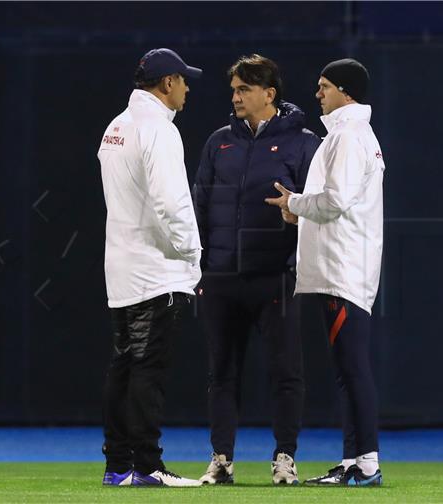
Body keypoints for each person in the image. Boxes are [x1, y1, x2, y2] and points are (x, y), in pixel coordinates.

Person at [193, 54, 321, 485]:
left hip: (275, 277)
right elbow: (200, 206)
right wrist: (201, 266)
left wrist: (296, 236)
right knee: (221, 374)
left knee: (286, 373)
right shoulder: (218, 142)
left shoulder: (305, 143)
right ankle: (221, 460)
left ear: (269, 93)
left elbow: (321, 208)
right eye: (233, 90)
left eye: (243, 90)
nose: (235, 98)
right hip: (222, 277)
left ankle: (284, 458)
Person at [265, 58, 385, 486]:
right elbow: (335, 202)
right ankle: (354, 460)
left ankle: (366, 462)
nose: (317, 93)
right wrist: (300, 211)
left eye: (324, 86)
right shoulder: (347, 134)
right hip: (341, 266)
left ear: (346, 92)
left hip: (342, 269)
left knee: (352, 367)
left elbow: (335, 201)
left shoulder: (349, 136)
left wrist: (295, 204)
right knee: (346, 368)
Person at [97, 48, 203, 487]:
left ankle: (119, 465)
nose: (187, 88)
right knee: (148, 369)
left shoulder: (116, 126)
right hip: (157, 269)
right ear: (166, 84)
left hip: (122, 266)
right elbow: (170, 201)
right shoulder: (158, 129)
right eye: (182, 80)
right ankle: (146, 465)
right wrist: (194, 255)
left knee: (124, 366)